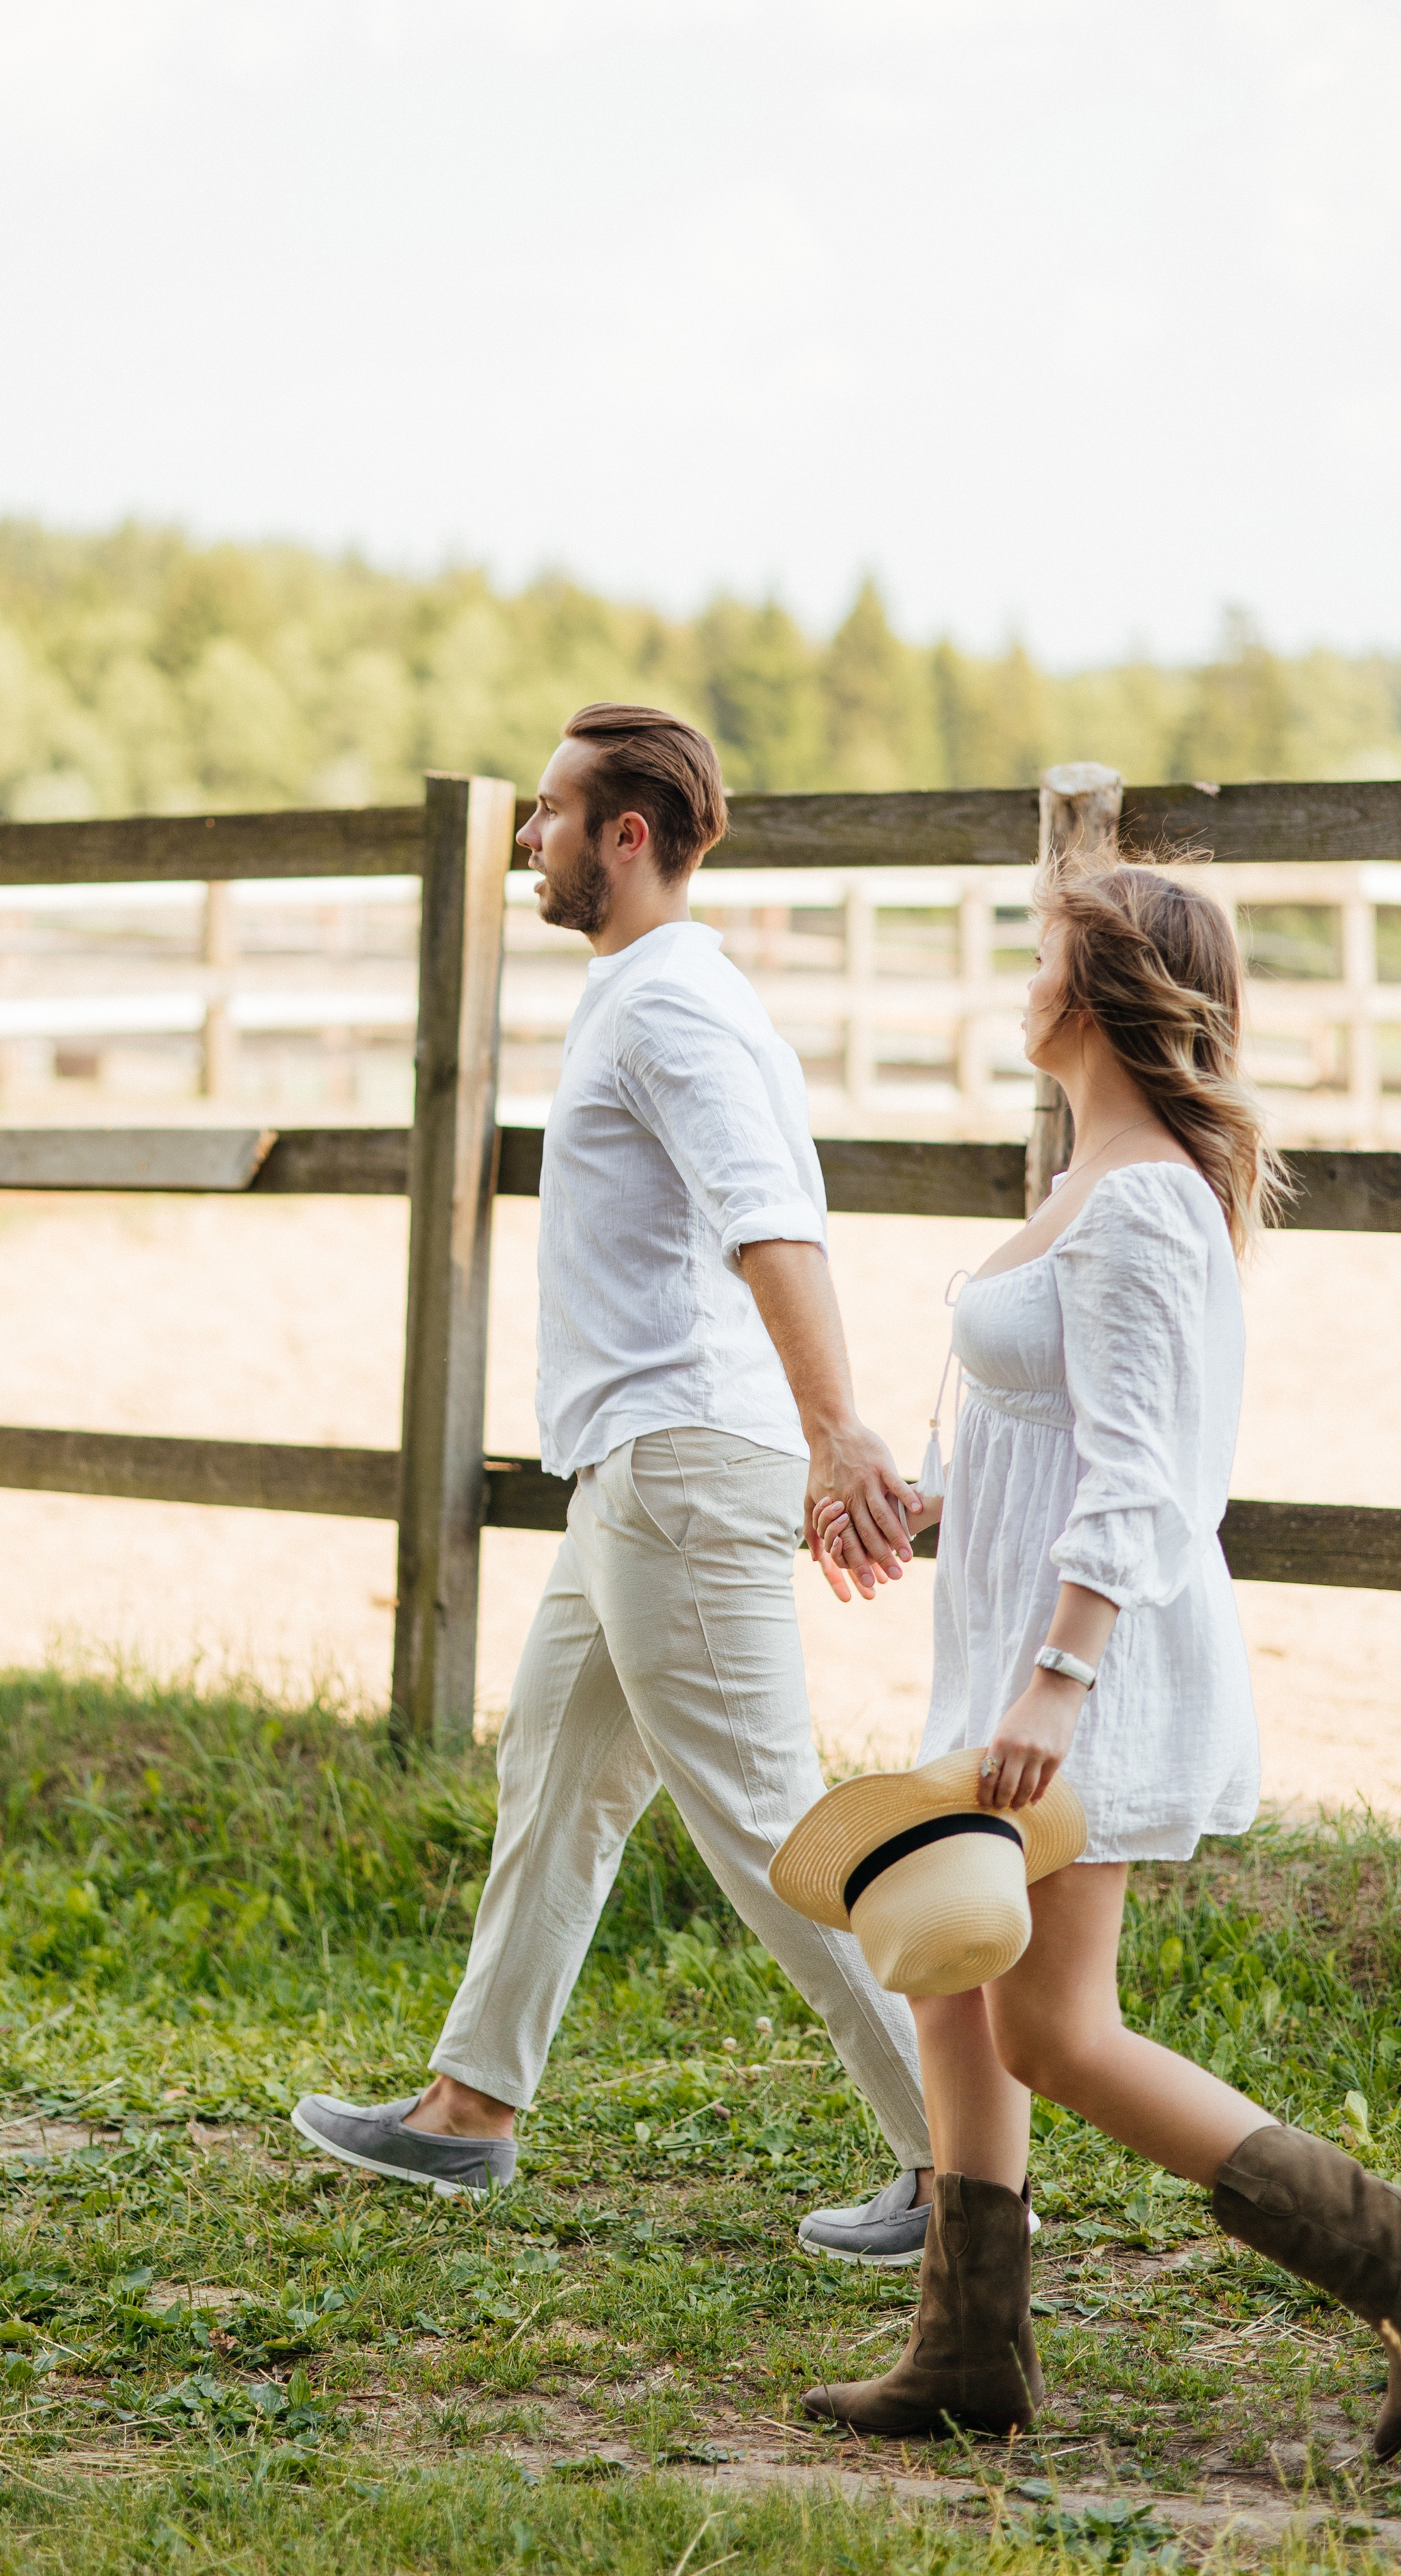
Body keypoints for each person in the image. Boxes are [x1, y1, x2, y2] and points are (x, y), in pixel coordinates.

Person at [799, 856, 1401, 2454]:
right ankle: (969, 2348)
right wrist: (918, 1507)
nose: (1017, 978)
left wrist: (1058, 1679)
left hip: (1083, 1662)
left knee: (1051, 2024)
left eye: (1040, 951)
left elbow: (1143, 1474)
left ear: (1105, 984)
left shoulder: (1137, 1205)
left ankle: (1392, 2244)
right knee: (954, 1979)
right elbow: (1051, 1441)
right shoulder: (1089, 1179)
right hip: (1020, 1637)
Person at [292, 702, 941, 2264]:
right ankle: (469, 2109)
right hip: (630, 1476)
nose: (528, 837)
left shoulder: (667, 1012)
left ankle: (963, 2163)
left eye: (548, 815)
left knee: (772, 1826)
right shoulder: (659, 992)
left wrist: (839, 1430)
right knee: (559, 1781)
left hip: (680, 1469)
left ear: (624, 837)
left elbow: (766, 1213)